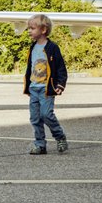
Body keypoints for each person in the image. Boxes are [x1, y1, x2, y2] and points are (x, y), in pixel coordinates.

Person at [23, 13, 69, 155]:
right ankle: (40, 144)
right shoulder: (33, 47)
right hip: (34, 88)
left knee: (46, 115)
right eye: (29, 28)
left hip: (46, 89)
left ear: (43, 30)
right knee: (35, 118)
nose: (29, 31)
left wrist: (60, 84)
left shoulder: (52, 48)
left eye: (32, 28)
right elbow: (30, 66)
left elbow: (61, 67)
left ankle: (59, 136)